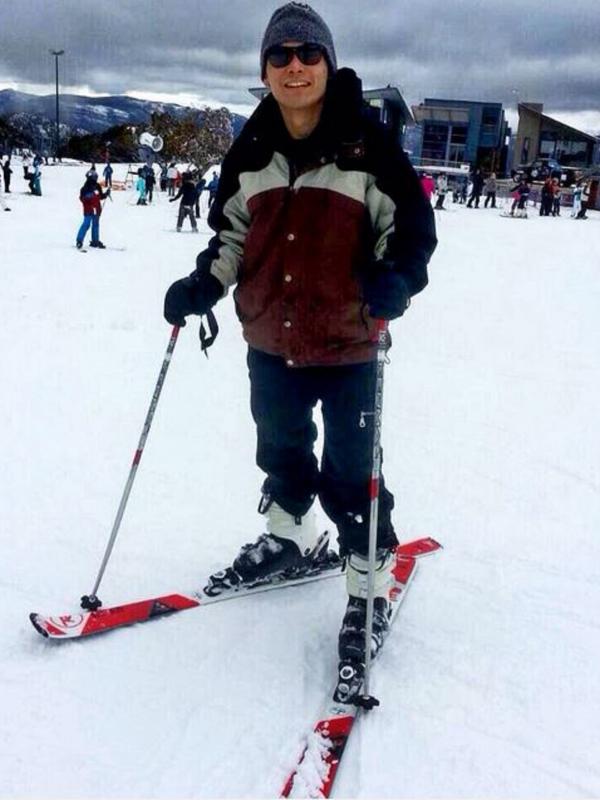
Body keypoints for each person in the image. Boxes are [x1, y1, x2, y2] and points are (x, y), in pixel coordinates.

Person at [163, 2, 437, 699]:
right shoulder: (251, 150)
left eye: (306, 54)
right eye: (279, 55)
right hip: (270, 341)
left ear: (328, 63)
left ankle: (366, 587)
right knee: (281, 450)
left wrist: (395, 279)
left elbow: (408, 233)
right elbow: (230, 236)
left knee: (352, 473)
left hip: (349, 342)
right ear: (265, 68)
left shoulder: (367, 146)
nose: (293, 66)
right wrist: (203, 284)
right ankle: (284, 539)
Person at [76, 174, 110, 249]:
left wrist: (106, 194)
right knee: (86, 224)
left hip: (96, 209)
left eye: (96, 177)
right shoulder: (85, 188)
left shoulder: (97, 186)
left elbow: (100, 196)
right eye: (94, 177)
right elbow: (82, 198)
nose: (95, 179)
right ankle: (79, 241)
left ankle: (95, 241)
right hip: (88, 209)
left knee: (96, 224)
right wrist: (90, 195)